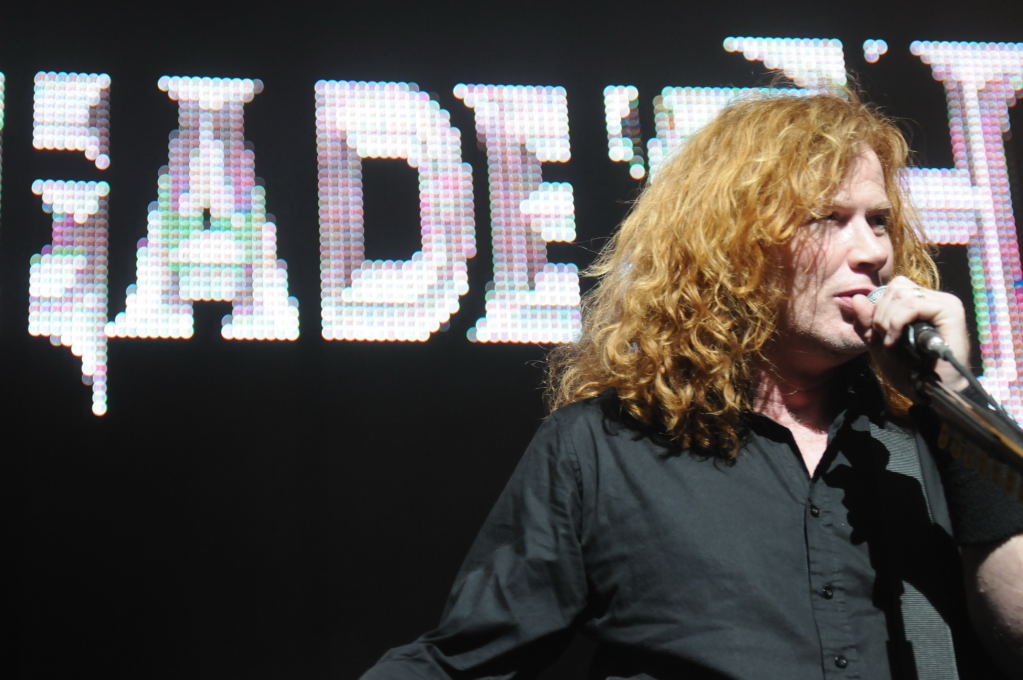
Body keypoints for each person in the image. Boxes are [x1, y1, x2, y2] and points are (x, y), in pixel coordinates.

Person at [360, 91, 1023, 679]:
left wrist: (954, 400)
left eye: (877, 220)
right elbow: (463, 661)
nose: (872, 251)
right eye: (827, 218)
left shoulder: (937, 440)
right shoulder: (603, 448)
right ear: (736, 245)